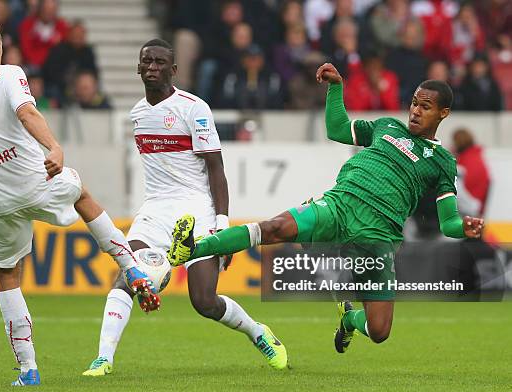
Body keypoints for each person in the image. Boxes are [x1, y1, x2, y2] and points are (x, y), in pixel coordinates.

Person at [0, 16, 159, 386]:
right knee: (82, 194)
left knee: (7, 276)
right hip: (36, 181)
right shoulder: (8, 74)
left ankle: (28, 370)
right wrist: (53, 146)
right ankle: (130, 267)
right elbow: (27, 112)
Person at [168, 62, 484, 353]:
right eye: (414, 103)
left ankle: (349, 320)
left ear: (443, 113)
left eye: (425, 107)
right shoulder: (387, 127)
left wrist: (463, 228)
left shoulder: (443, 163)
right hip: (340, 204)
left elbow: (448, 223)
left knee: (379, 330)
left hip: (378, 235)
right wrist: (336, 88)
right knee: (275, 227)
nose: (415, 111)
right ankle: (191, 248)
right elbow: (337, 129)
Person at [82, 39, 287, 377]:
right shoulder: (137, 114)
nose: (151, 67)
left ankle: (258, 333)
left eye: (160, 62)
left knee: (204, 301)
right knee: (126, 276)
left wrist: (222, 228)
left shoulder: (194, 108)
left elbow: (216, 170)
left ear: (173, 70)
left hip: (196, 209)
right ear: (137, 67)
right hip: (155, 210)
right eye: (146, 61)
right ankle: (103, 359)